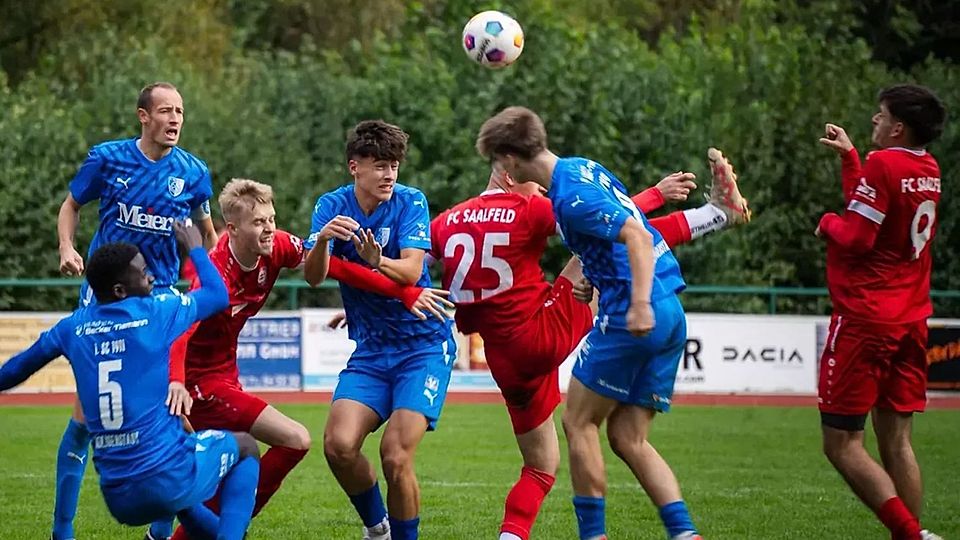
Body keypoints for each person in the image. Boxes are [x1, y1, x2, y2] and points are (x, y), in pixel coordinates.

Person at [429, 150, 747, 540]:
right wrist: (656, 194)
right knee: (597, 247)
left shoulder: (446, 220)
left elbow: (412, 264)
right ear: (510, 174)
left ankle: (511, 536)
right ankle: (715, 215)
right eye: (536, 184)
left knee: (540, 467)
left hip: (504, 359)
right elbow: (602, 216)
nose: (543, 190)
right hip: (540, 333)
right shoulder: (525, 208)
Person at [167, 178, 451, 540]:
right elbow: (179, 332)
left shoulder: (277, 245)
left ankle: (207, 529)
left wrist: (405, 293)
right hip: (197, 383)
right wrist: (176, 384)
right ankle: (219, 529)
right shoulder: (216, 274)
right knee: (291, 441)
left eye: (271, 219)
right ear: (233, 229)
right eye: (259, 222)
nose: (269, 228)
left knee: (235, 464)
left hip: (224, 375)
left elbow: (338, 269)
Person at [475, 106, 699, 540]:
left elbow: (636, 234)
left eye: (499, 162)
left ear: (510, 160)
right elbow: (620, 229)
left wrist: (638, 304)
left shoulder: (569, 199)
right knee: (628, 438)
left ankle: (593, 535)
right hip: (671, 309)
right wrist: (594, 279)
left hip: (633, 311)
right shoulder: (583, 167)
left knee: (578, 423)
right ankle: (685, 533)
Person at [0, 221, 257, 540]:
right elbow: (218, 295)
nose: (151, 277)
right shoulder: (157, 312)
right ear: (120, 290)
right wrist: (195, 249)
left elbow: (13, 372)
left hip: (119, 499)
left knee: (180, 488)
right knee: (246, 448)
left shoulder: (71, 328)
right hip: (166, 478)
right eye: (143, 272)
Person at [54, 81, 218, 540]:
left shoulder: (193, 173)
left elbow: (209, 235)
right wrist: (66, 246)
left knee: (170, 410)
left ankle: (160, 532)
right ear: (143, 116)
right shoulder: (108, 159)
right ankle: (61, 531)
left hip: (159, 300)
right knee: (87, 414)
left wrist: (204, 281)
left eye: (180, 111)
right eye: (165, 110)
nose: (175, 119)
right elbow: (71, 205)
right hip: (105, 299)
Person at [304, 120, 457, 540]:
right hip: (371, 351)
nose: (389, 175)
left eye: (394, 166)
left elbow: (411, 271)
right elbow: (313, 277)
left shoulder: (410, 201)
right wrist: (322, 242)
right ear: (355, 166)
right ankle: (378, 529)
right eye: (380, 166)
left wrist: (377, 261)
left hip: (423, 345)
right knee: (338, 446)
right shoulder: (331, 205)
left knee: (395, 455)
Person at [815, 84, 946, 540]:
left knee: (841, 443)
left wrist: (826, 222)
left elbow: (856, 235)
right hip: (911, 318)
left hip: (867, 318)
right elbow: (870, 209)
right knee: (897, 440)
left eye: (881, 114)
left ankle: (912, 535)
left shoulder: (885, 164)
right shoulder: (927, 167)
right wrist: (851, 159)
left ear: (897, 128)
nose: (874, 119)